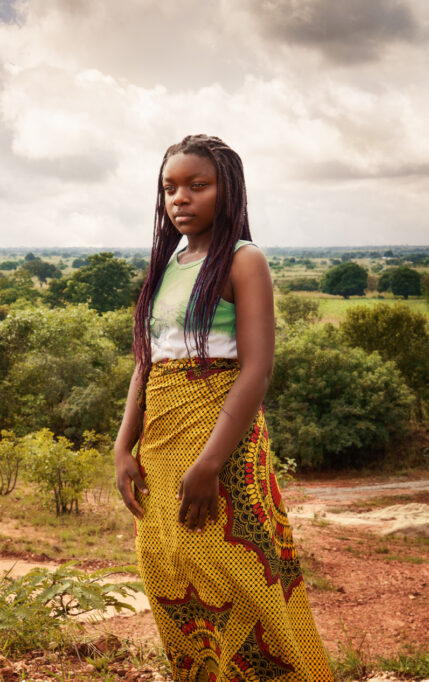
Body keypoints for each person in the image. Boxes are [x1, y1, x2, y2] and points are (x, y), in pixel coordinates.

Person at [113, 135, 332, 681]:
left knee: (238, 573)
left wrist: (211, 463)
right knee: (168, 569)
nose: (179, 198)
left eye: (196, 185)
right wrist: (122, 444)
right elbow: (147, 360)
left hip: (221, 445)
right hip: (161, 443)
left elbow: (256, 370)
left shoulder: (243, 259)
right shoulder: (169, 262)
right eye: (169, 188)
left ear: (227, 191)